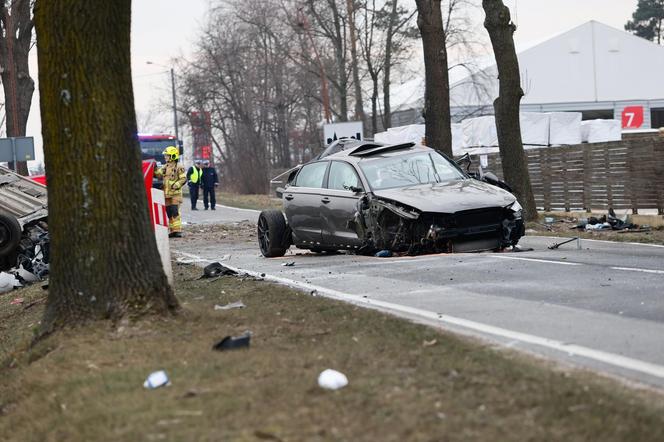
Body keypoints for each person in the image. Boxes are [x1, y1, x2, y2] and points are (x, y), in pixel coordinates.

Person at [154, 146, 187, 238]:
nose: (165, 157)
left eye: (167, 155)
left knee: (174, 211)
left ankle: (177, 230)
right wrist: (154, 168)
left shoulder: (179, 167)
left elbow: (183, 179)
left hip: (175, 194)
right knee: (168, 212)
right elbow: (158, 174)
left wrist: (176, 185)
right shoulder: (165, 167)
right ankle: (172, 230)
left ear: (173, 156)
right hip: (166, 194)